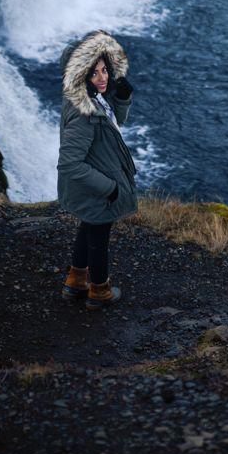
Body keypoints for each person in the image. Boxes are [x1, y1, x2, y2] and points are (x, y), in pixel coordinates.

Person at [56, 30, 138, 310]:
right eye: (94, 73)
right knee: (99, 238)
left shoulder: (92, 99)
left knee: (89, 226)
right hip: (96, 185)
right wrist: (110, 188)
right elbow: (69, 163)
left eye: (104, 70)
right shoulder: (84, 112)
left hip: (93, 182)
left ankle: (75, 280)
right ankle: (99, 291)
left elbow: (112, 126)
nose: (103, 78)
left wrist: (123, 100)